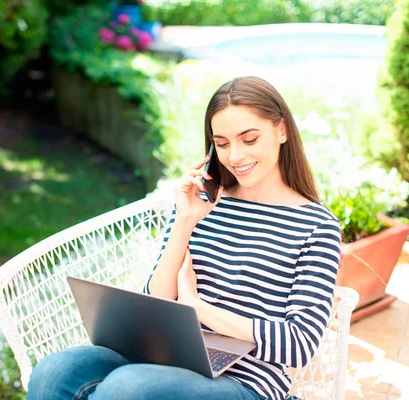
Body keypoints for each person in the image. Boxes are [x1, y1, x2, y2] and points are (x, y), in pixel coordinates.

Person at [26, 76, 341, 400]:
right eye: (222, 143)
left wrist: (197, 308)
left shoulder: (316, 226)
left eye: (249, 139)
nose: (235, 156)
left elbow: (300, 343)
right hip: (168, 358)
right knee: (54, 373)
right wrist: (185, 222)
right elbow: (157, 297)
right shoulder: (203, 204)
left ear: (282, 131)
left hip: (246, 382)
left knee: (126, 389)